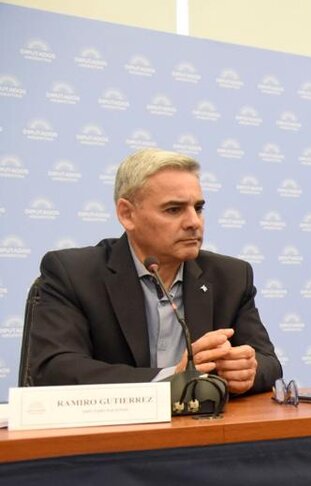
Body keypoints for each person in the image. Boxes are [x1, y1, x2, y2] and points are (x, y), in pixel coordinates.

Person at [25, 148, 281, 395]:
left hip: (202, 430)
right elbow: (55, 370)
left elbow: (269, 363)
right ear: (127, 215)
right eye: (174, 209)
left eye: (198, 208)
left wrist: (247, 370)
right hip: (110, 433)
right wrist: (170, 379)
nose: (194, 222)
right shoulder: (73, 274)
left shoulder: (231, 277)